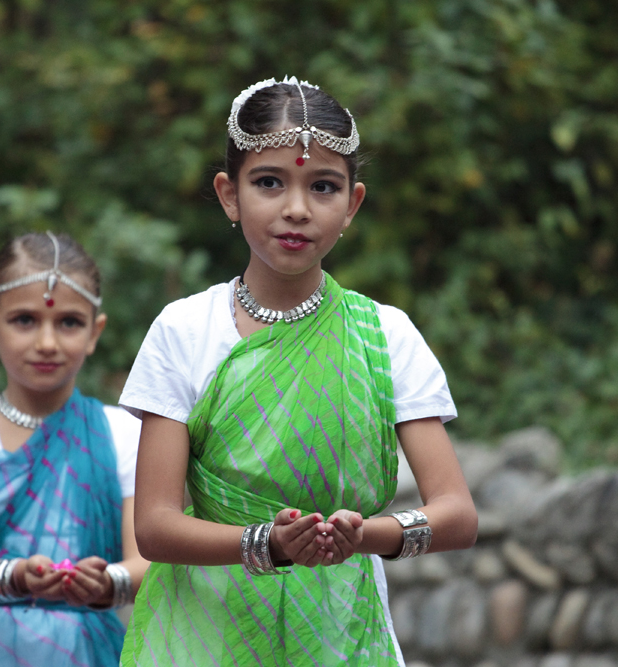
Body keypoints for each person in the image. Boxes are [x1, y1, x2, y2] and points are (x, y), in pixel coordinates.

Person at [118, 77, 478, 667]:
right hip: (206, 633)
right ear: (229, 195)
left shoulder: (385, 336)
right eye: (268, 182)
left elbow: (457, 514)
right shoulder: (184, 331)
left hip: (344, 634)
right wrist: (269, 545)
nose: (296, 208)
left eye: (323, 186)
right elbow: (154, 526)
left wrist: (365, 536)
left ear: (352, 204)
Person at [0, 231, 148, 667]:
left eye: (68, 323)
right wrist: (18, 576)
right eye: (24, 320)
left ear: (95, 333)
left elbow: (146, 561)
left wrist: (108, 582)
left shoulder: (125, 435)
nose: (47, 343)